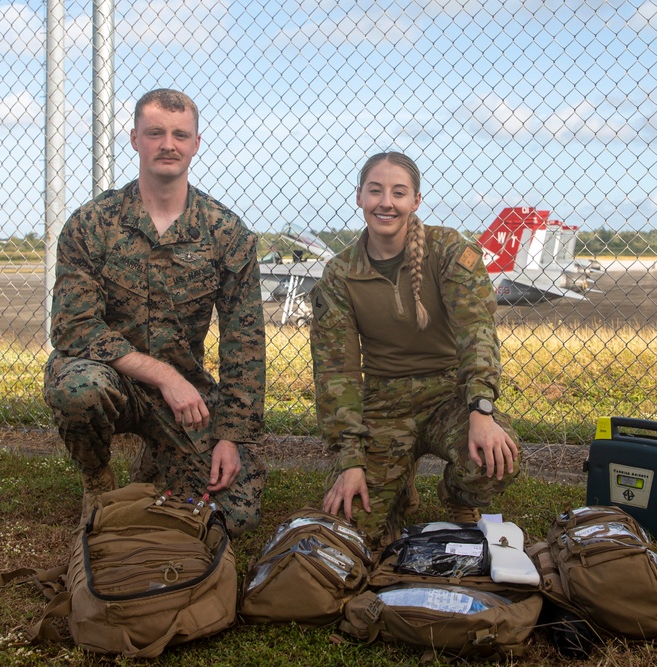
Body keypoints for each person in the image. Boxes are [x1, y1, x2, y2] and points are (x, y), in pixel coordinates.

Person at [43, 89, 266, 537]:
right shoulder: (92, 223)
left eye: (180, 134)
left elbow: (245, 343)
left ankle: (158, 458)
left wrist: (231, 436)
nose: (169, 144)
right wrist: (165, 377)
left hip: (185, 400)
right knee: (78, 386)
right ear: (134, 140)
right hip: (113, 377)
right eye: (155, 133)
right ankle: (97, 482)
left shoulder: (225, 231)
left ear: (196, 143)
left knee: (235, 515)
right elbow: (74, 327)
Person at [310, 151, 520, 549]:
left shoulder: (449, 252)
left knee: (494, 462)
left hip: (447, 395)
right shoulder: (340, 274)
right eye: (375, 191)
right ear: (359, 197)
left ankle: (457, 498)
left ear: (416, 201)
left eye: (398, 192)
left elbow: (477, 331)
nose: (385, 202)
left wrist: (480, 409)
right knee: (354, 529)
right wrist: (351, 458)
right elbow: (336, 371)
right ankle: (397, 482)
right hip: (384, 401)